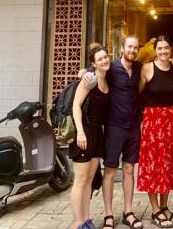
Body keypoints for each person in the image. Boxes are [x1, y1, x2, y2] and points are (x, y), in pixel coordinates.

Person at [81, 36, 144, 229]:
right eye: (129, 47)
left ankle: (128, 212)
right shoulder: (111, 67)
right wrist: (82, 72)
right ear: (122, 48)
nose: (132, 50)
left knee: (129, 169)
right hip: (114, 127)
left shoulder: (139, 67)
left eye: (135, 47)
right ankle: (108, 214)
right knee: (109, 171)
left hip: (134, 127)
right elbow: (92, 70)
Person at [138, 35, 173, 228]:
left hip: (171, 121)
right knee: (153, 164)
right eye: (160, 48)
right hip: (152, 122)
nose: (163, 51)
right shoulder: (146, 68)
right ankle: (155, 209)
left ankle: (165, 206)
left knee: (168, 164)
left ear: (170, 49)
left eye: (166, 48)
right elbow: (137, 93)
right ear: (155, 50)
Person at [70, 44, 111, 229]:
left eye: (105, 57)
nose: (104, 60)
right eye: (100, 59)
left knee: (89, 180)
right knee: (80, 180)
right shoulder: (89, 79)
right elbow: (76, 105)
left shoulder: (107, 80)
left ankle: (86, 218)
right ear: (93, 64)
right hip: (84, 132)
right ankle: (77, 222)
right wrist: (79, 131)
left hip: (97, 134)